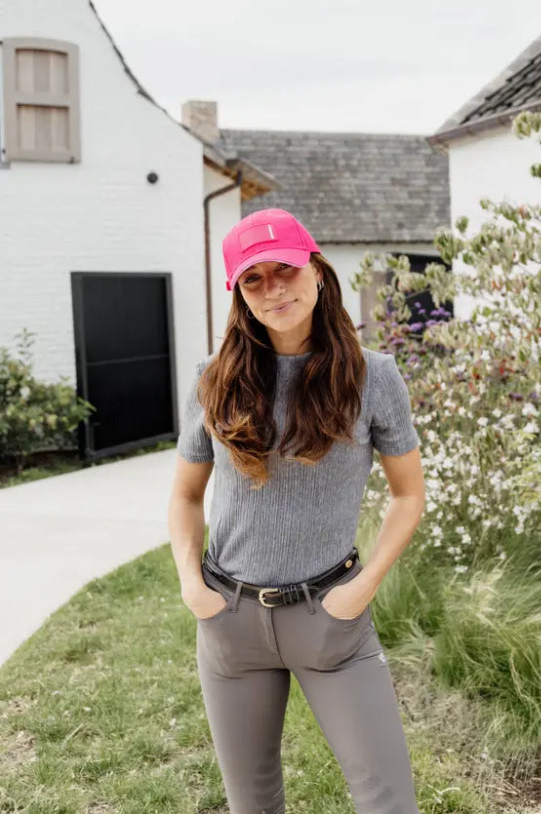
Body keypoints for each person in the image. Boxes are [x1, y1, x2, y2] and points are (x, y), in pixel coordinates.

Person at [167, 207, 425, 814]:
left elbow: (408, 494)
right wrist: (191, 587)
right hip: (229, 619)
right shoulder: (213, 378)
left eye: (284, 268)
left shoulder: (373, 376)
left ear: (316, 269)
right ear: (239, 294)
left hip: (333, 617)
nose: (273, 288)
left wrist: (363, 588)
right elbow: (184, 495)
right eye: (253, 279)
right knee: (252, 803)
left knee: (389, 801)